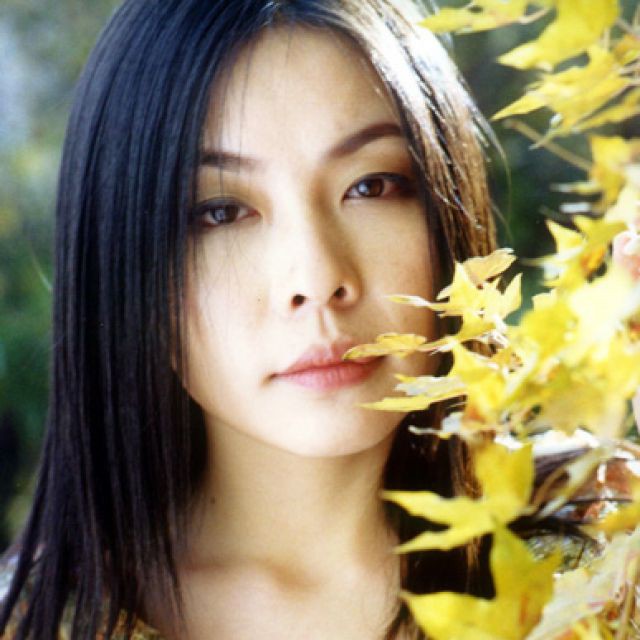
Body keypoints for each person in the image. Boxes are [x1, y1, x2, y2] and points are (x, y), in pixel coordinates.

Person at [0, 0, 636, 639]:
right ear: (120, 263)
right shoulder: (40, 622)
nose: (315, 279)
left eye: (372, 186)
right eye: (220, 212)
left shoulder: (605, 561)